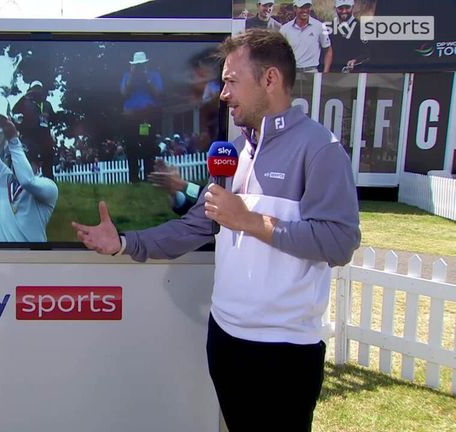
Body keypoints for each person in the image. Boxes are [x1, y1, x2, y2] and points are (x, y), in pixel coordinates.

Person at [72, 29, 360, 431]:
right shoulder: (235, 154)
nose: (223, 93)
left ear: (270, 80)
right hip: (225, 339)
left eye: (230, 81)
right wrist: (123, 242)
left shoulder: (321, 149)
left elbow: (340, 241)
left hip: (284, 353)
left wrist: (251, 222)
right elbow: (194, 227)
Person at [0, 71, 58, 242]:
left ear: (38, 164)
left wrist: (13, 141)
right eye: (16, 156)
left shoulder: (49, 189)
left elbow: (27, 180)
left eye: (25, 157)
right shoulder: (1, 177)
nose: (17, 160)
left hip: (29, 265)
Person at [120, 50, 163, 182]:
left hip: (147, 116)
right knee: (131, 146)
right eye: (136, 65)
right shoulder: (127, 76)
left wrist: (147, 79)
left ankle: (148, 177)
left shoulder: (154, 76)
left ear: (146, 65)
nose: (139, 68)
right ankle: (134, 178)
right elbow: (124, 93)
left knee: (148, 145)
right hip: (130, 117)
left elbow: (158, 94)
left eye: (141, 65)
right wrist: (132, 76)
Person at [13, 80, 57, 180]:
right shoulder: (25, 102)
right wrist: (25, 97)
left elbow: (54, 119)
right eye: (34, 89)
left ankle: (49, 186)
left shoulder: (47, 104)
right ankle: (28, 184)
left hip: (45, 137)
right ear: (30, 90)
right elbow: (14, 111)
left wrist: (48, 117)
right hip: (30, 137)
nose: (37, 92)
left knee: (47, 165)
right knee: (30, 163)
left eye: (39, 89)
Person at [280, 0, 333, 73]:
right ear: (295, 8)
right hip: (292, 72)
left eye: (307, 7)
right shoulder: (285, 29)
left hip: (312, 71)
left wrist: (325, 72)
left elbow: (328, 50)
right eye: (301, 7)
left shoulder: (319, 26)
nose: (305, 10)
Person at [329, 0, 370, 73]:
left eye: (347, 8)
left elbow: (367, 53)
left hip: (354, 73)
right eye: (340, 8)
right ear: (336, 9)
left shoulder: (361, 27)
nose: (344, 11)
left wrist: (355, 60)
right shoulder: (331, 26)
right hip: (333, 72)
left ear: (352, 7)